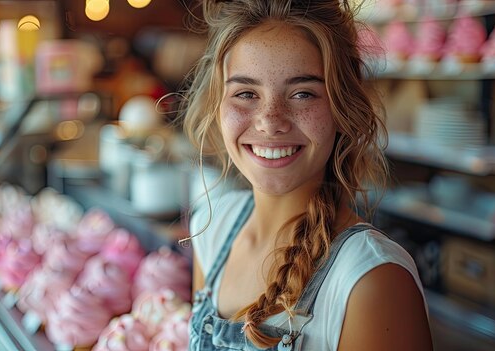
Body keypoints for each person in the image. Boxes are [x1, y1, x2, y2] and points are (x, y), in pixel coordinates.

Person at [179, 1, 433, 350]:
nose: (270, 120)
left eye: (302, 93)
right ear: (216, 106)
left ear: (343, 109)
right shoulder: (214, 225)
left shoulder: (373, 280)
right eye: (246, 93)